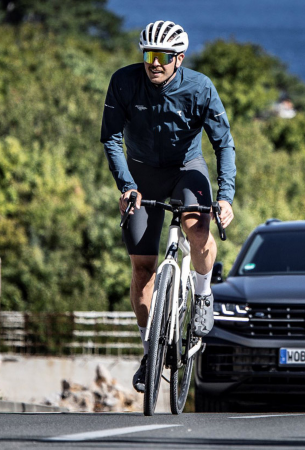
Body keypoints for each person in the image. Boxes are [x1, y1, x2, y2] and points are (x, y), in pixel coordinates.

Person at [100, 20, 236, 392]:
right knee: (142, 271)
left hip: (186, 170)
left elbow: (224, 144)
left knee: (198, 227)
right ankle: (150, 351)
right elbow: (111, 139)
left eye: (162, 56)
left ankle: (204, 293)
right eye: (148, 55)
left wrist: (225, 197)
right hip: (141, 175)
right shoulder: (124, 82)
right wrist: (126, 186)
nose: (153, 63)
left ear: (179, 58)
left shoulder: (200, 88)